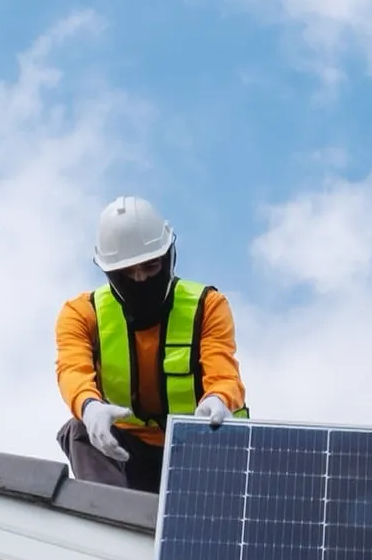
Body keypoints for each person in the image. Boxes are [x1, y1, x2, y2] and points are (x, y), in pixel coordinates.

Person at [54, 196, 248, 494]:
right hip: (124, 454)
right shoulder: (81, 314)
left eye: (150, 266)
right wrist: (90, 407)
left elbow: (223, 372)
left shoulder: (207, 306)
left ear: (169, 256)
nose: (140, 279)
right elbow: (72, 370)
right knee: (79, 429)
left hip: (198, 449)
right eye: (128, 273)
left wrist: (218, 399)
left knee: (224, 434)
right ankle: (113, 523)